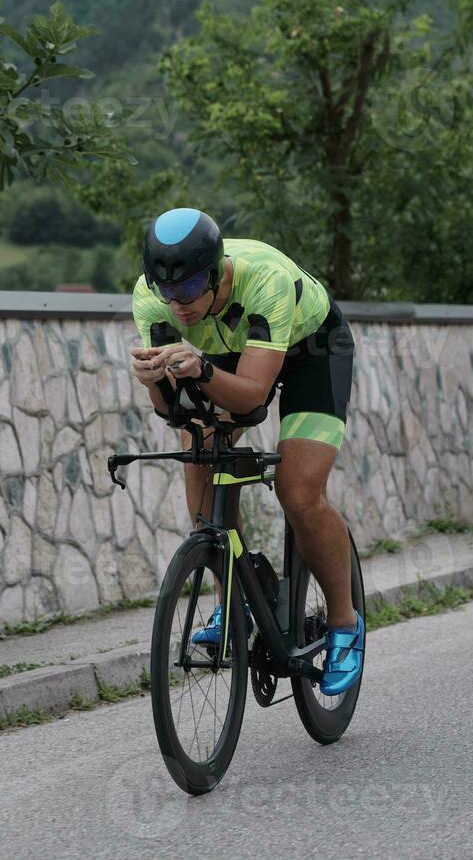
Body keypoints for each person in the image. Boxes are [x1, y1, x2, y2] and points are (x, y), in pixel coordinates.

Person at [127, 207, 362, 695]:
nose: (178, 304)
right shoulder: (153, 300)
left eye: (189, 290)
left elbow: (254, 394)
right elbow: (175, 412)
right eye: (166, 291)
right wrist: (154, 383)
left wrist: (202, 372)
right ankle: (232, 601)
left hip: (310, 352)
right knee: (198, 448)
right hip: (226, 352)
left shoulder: (265, 281)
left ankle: (345, 622)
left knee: (298, 493)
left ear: (216, 274)